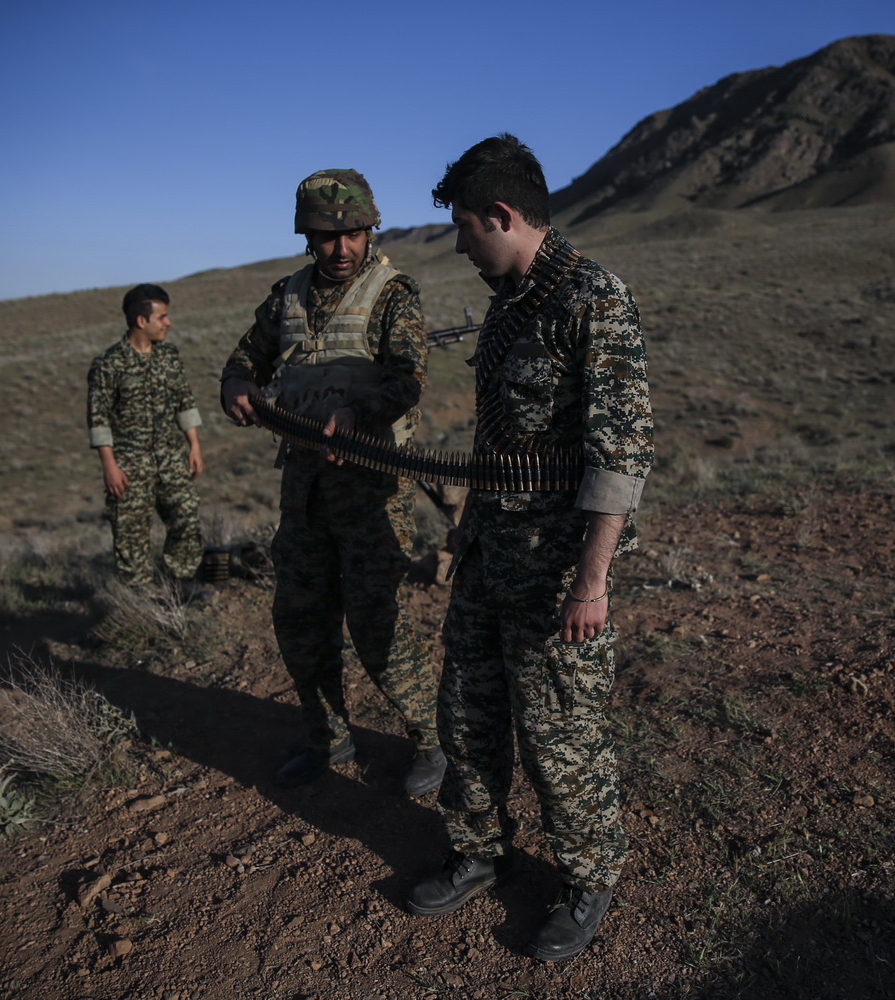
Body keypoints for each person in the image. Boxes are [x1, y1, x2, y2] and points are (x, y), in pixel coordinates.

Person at [404, 135, 653, 962]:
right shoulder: (510, 304)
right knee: (466, 714)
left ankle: (588, 876)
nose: (462, 244)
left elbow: (621, 456)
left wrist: (592, 581)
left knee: (561, 735)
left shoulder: (594, 298)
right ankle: (480, 850)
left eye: (467, 228)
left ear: (503, 217)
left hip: (555, 572)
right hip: (488, 554)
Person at [220, 169, 444, 796]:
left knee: (378, 621)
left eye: (353, 234)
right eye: (326, 237)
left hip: (373, 489)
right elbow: (245, 358)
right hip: (304, 487)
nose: (341, 248)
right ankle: (327, 734)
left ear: (371, 229)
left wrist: (359, 415)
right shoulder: (286, 295)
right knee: (300, 616)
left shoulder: (394, 292)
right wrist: (235, 384)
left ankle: (431, 738)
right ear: (307, 238)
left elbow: (407, 378)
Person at [87, 283, 205, 589]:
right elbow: (98, 419)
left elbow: (185, 400)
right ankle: (140, 604)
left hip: (170, 457)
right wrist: (109, 466)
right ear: (142, 321)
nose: (169, 322)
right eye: (162, 317)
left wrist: (193, 445)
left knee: (187, 518)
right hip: (129, 465)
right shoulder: (108, 364)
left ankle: (179, 586)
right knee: (131, 535)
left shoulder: (169, 355)